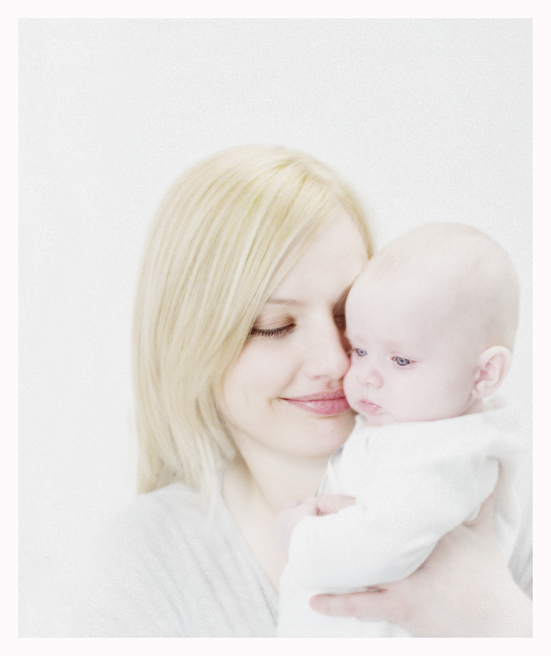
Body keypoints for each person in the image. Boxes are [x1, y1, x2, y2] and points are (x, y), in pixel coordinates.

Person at [73, 146, 532, 637]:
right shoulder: (143, 565)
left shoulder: (501, 501)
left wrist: (506, 622)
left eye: (346, 317)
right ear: (190, 341)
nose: (336, 361)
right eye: (275, 325)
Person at [275, 223, 527, 637]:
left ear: (484, 374)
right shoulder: (411, 425)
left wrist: (298, 537)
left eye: (401, 361)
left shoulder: (446, 455)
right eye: (360, 349)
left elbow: (380, 547)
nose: (365, 375)